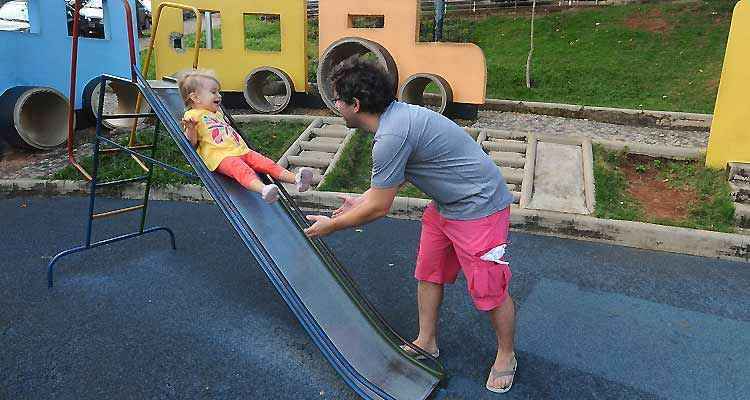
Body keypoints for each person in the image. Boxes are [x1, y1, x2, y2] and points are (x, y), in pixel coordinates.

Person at [304, 56, 518, 393]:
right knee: (429, 272)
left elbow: (379, 208)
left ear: (355, 105)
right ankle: (426, 342)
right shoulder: (396, 120)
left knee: (489, 290)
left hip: (480, 208)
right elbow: (386, 187)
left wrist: (333, 226)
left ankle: (507, 354)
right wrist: (359, 201)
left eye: (337, 100)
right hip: (446, 205)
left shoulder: (391, 135)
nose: (336, 106)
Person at [177, 69, 313, 203]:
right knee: (242, 170)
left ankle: (296, 179)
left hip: (241, 150)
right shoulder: (192, 115)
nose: (219, 95)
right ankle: (263, 189)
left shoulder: (217, 113)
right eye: (213, 92)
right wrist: (190, 129)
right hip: (221, 156)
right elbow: (192, 143)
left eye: (218, 91)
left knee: (267, 163)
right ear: (196, 98)